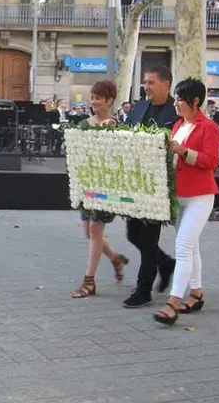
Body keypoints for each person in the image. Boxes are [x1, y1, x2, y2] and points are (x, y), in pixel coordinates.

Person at [154, 77, 219, 325]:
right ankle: (196, 292)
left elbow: (211, 162)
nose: (176, 104)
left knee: (183, 247)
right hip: (180, 195)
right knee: (190, 247)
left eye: (180, 100)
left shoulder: (209, 127)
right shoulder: (179, 125)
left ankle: (172, 302)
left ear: (195, 101)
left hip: (200, 196)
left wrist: (183, 152)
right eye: (176, 99)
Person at [122, 65, 178, 308]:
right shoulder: (140, 107)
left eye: (152, 82)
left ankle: (143, 289)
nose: (146, 86)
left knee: (148, 236)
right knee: (133, 234)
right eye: (145, 82)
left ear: (166, 84)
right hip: (135, 179)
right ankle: (165, 263)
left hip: (158, 182)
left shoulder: (175, 111)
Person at [71, 80, 129, 299]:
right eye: (92, 97)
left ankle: (89, 281)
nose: (93, 101)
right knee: (88, 231)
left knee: (95, 231)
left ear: (109, 100)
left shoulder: (113, 125)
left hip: (106, 186)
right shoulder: (85, 124)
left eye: (98, 98)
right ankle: (115, 258)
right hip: (87, 184)